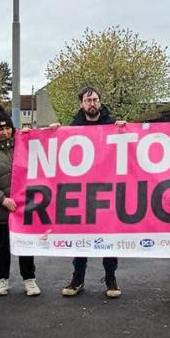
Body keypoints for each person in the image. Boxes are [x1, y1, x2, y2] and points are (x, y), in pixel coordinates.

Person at [61, 86, 124, 298]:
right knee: (81, 238)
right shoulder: (72, 128)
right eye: (88, 101)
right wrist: (51, 132)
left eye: (95, 99)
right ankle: (77, 279)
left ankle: (111, 279)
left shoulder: (112, 125)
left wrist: (124, 129)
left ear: (100, 101)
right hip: (83, 193)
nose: (92, 104)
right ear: (81, 104)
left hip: (108, 191)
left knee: (109, 236)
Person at [0, 105, 39, 297]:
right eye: (0, 129)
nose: (5, 132)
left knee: (25, 245)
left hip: (23, 208)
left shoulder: (22, 143)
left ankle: (29, 280)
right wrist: (2, 199)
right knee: (2, 249)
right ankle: (2, 281)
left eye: (7, 127)